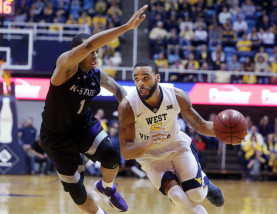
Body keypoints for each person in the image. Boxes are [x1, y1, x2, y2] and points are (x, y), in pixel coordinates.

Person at [40, 5, 148, 214]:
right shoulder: (65, 65)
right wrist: (125, 27)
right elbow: (89, 43)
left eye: (97, 52)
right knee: (77, 191)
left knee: (110, 155)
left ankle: (107, 188)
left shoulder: (96, 74)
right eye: (91, 52)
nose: (95, 55)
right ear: (77, 53)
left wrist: (132, 114)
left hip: (82, 126)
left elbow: (117, 90)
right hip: (56, 136)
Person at [118, 60, 230, 214]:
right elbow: (126, 151)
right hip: (149, 155)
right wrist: (149, 143)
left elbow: (201, 125)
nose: (140, 83)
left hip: (176, 144)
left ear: (157, 78)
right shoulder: (128, 106)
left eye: (145, 78)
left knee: (196, 195)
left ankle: (205, 182)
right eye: (136, 78)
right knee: (177, 195)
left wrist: (227, 133)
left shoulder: (176, 96)